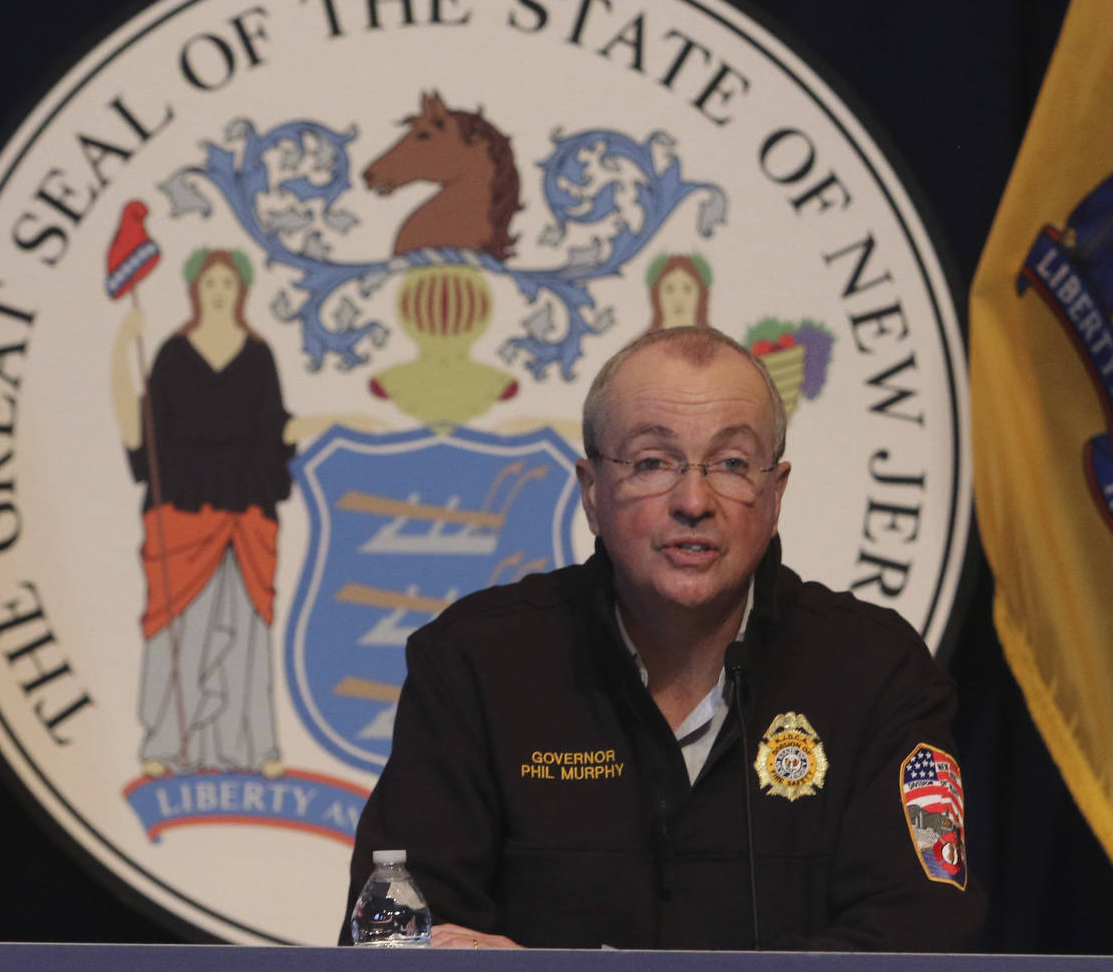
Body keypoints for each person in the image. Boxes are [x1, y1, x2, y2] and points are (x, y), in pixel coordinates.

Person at [340, 325, 985, 950]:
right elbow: (399, 934)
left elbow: (924, 933)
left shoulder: (875, 670)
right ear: (591, 492)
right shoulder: (477, 665)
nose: (694, 499)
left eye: (731, 463)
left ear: (775, 492)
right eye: (653, 462)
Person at [112, 247, 304, 778]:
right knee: (181, 631)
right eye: (210, 283)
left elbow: (276, 429)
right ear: (195, 290)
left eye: (227, 283)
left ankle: (252, 746)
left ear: (241, 292)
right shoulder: (172, 354)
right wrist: (121, 349)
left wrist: (332, 423)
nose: (219, 292)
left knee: (246, 631)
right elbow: (139, 433)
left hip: (245, 514)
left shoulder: (259, 355)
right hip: (184, 516)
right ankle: (165, 743)